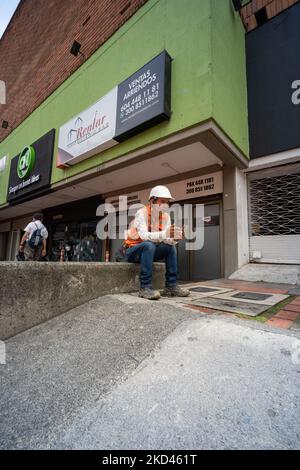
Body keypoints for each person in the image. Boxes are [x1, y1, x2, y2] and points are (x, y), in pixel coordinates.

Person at [123, 185, 190, 300]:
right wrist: (165, 234)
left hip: (149, 251)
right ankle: (145, 288)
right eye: (162, 201)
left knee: (170, 247)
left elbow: (166, 239)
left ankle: (171, 286)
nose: (166, 205)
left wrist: (175, 238)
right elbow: (144, 236)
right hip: (132, 251)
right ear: (152, 201)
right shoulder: (141, 213)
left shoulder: (166, 217)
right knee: (148, 245)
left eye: (167, 202)